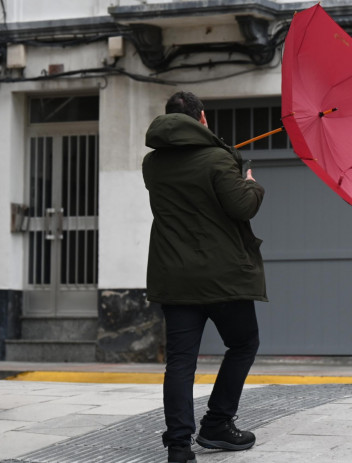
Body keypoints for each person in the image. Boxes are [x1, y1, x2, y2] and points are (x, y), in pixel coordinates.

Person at [142, 91, 267, 463]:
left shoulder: (152, 164)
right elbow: (241, 206)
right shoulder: (217, 158)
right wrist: (251, 182)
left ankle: (179, 447)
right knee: (243, 344)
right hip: (222, 276)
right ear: (202, 119)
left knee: (180, 362)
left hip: (174, 277)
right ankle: (217, 423)